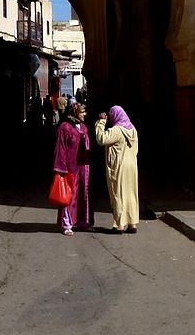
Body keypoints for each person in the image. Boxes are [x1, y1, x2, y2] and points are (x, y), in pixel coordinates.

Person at [95, 105, 139, 233]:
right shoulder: (133, 129)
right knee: (131, 194)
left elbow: (101, 138)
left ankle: (119, 225)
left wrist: (101, 122)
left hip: (119, 166)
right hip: (131, 165)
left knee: (118, 193)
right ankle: (132, 223)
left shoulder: (117, 130)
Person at [52, 101, 91, 235]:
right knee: (68, 196)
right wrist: (60, 168)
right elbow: (60, 148)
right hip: (69, 168)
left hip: (83, 167)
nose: (84, 114)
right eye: (82, 112)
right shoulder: (64, 127)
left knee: (81, 194)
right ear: (75, 113)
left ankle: (80, 221)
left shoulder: (84, 127)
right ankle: (66, 223)